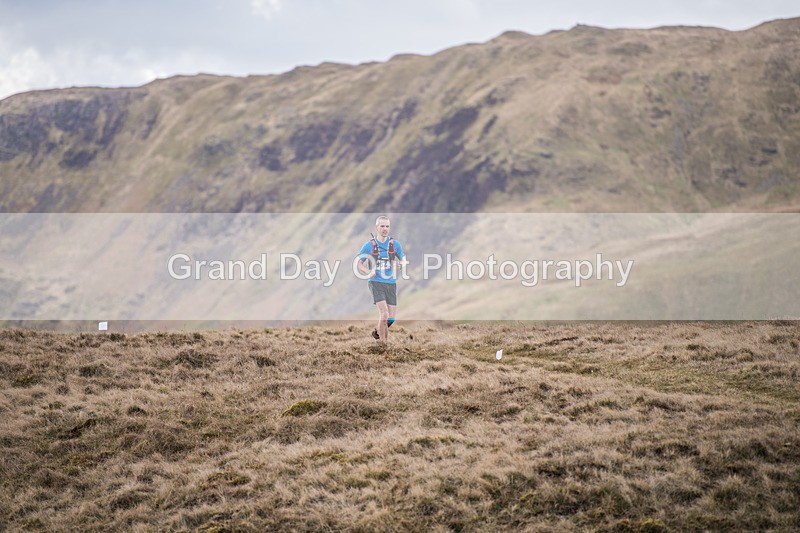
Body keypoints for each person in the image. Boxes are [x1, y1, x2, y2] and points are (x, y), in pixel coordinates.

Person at [357, 215, 406, 343]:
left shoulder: (395, 244)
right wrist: (368, 272)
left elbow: (404, 260)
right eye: (382, 226)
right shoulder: (369, 246)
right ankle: (384, 345)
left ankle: (377, 332)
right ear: (376, 227)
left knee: (390, 319)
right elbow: (358, 263)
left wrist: (400, 265)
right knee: (384, 314)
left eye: (387, 226)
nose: (385, 229)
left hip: (391, 283)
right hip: (376, 282)